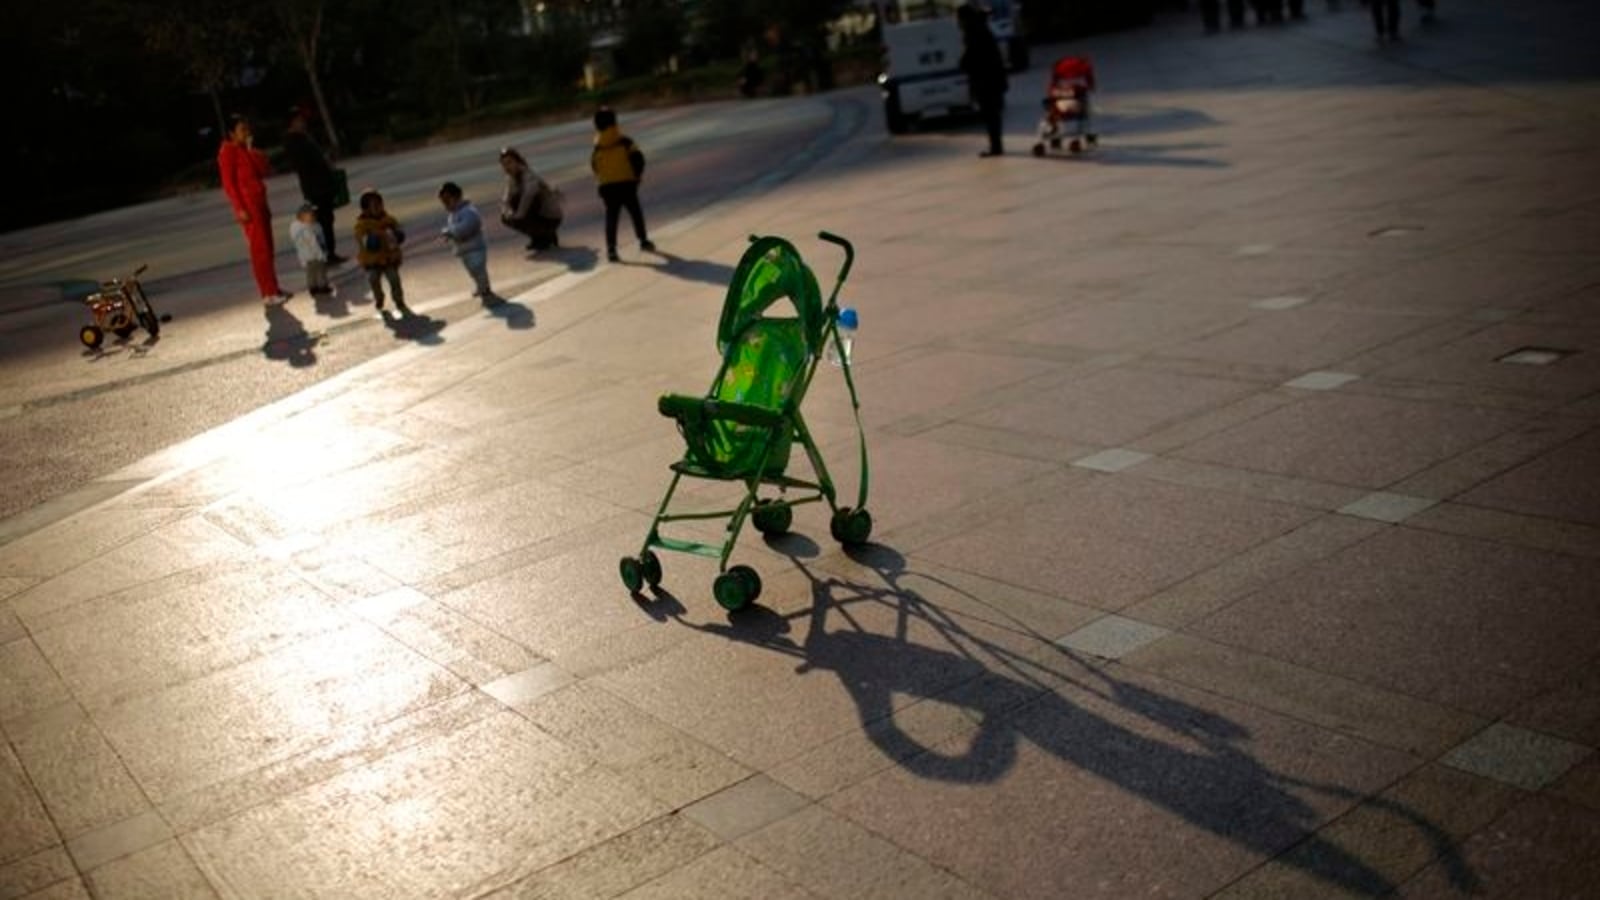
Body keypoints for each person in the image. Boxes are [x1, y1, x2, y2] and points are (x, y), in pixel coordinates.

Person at [217, 114, 290, 305]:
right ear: (232, 133)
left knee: (268, 246)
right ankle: (268, 292)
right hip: (248, 206)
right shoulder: (227, 152)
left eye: (247, 129)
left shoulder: (245, 150)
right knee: (260, 249)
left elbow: (263, 170)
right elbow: (229, 184)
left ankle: (273, 287)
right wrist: (239, 208)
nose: (246, 133)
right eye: (242, 130)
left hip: (260, 202)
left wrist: (251, 150)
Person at [590, 107, 655, 263]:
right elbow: (638, 158)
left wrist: (602, 179)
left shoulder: (597, 146)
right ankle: (643, 240)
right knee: (635, 212)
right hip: (626, 183)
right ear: (614, 122)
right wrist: (637, 176)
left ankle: (611, 249)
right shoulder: (625, 141)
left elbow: (594, 165)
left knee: (611, 216)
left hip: (607, 187)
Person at [283, 108, 346, 265]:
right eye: (299, 120)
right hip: (314, 187)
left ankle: (330, 252)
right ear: (292, 123)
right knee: (321, 222)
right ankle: (324, 254)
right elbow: (304, 164)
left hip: (322, 184)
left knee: (327, 220)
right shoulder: (293, 141)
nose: (303, 122)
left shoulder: (304, 137)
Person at [957, 2, 1009, 158]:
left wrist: (963, 64)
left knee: (990, 113)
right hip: (991, 78)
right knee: (992, 113)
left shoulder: (974, 32)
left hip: (986, 80)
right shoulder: (980, 28)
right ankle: (996, 144)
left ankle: (996, 146)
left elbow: (974, 55)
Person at [352, 189, 409, 315]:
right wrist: (375, 237)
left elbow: (399, 233)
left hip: (389, 258)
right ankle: (379, 297)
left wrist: (396, 234)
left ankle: (399, 300)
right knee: (373, 279)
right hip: (372, 261)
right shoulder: (361, 225)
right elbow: (365, 242)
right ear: (365, 209)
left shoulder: (389, 220)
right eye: (374, 206)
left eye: (380, 204)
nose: (378, 208)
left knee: (394, 279)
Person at [438, 181, 496, 304]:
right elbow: (454, 228)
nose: (446, 205)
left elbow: (467, 227)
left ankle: (485, 287)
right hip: (464, 249)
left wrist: (451, 231)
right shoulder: (452, 215)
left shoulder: (468, 211)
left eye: (448, 201)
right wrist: (449, 234)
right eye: (444, 203)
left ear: (457, 197)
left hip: (475, 247)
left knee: (478, 268)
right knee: (472, 271)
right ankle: (480, 286)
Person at [497, 147, 562, 252]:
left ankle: (546, 234)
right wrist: (506, 212)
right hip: (534, 213)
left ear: (518, 162)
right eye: (503, 164)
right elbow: (506, 199)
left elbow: (528, 197)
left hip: (550, 216)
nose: (506, 167)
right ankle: (538, 237)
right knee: (506, 217)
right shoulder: (511, 178)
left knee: (518, 203)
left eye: (509, 162)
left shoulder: (529, 176)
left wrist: (517, 216)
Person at [289, 202, 332, 297]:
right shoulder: (307, 229)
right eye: (311, 215)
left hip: (305, 257)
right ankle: (322, 286)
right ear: (302, 217)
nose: (314, 216)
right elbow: (314, 243)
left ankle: (312, 287)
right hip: (315, 255)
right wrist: (321, 255)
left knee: (310, 273)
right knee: (320, 271)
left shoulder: (297, 229)